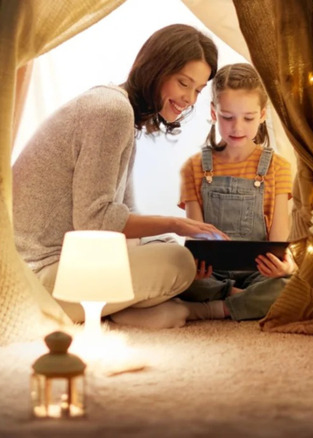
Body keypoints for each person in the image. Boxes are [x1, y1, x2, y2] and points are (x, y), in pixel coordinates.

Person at [13, 24, 227, 329]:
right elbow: (94, 220)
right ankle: (180, 310)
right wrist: (176, 223)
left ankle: (120, 312)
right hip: (39, 278)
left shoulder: (119, 110)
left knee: (173, 251)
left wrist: (170, 237)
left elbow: (123, 212)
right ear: (157, 68)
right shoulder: (112, 113)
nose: (190, 99)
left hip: (64, 264)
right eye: (183, 83)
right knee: (177, 263)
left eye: (198, 89)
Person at [176, 63, 296, 322]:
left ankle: (216, 308)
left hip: (258, 272)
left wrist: (284, 266)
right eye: (227, 117)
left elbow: (279, 239)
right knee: (178, 277)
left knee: (289, 285)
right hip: (212, 275)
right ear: (213, 112)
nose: (237, 127)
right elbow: (196, 237)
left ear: (262, 114)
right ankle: (239, 299)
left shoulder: (279, 167)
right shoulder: (193, 167)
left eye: (248, 118)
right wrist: (195, 267)